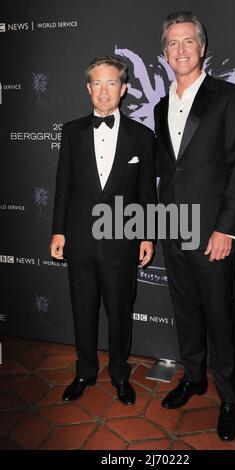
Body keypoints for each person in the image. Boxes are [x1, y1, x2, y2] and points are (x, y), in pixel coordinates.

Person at [154, 11, 235, 441]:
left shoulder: (229, 97)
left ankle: (229, 397)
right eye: (172, 44)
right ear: (164, 53)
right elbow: (167, 169)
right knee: (186, 312)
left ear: (202, 47)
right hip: (172, 225)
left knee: (219, 316)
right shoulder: (161, 107)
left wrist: (226, 229)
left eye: (187, 42)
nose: (180, 50)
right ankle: (194, 377)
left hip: (212, 231)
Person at [50, 56, 156, 405]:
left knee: (119, 313)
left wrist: (147, 235)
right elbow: (63, 185)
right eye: (97, 82)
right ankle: (84, 371)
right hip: (79, 240)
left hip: (121, 242)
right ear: (88, 88)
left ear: (124, 89)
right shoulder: (72, 131)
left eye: (112, 83)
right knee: (83, 312)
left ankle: (120, 375)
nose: (104, 90)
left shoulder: (142, 136)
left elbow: (146, 193)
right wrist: (58, 231)